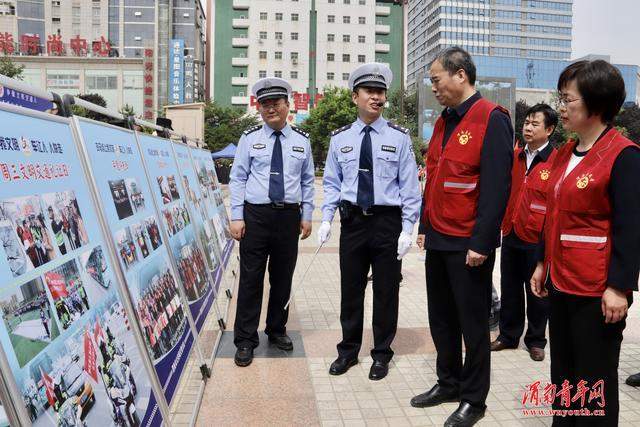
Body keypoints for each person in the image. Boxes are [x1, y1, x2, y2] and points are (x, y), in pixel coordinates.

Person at [530, 59, 640, 426]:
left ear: (596, 103)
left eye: (568, 99)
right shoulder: (564, 153)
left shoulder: (624, 155)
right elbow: (553, 214)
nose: (562, 107)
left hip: (597, 290)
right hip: (561, 282)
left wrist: (619, 287)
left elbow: (630, 227)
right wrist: (543, 262)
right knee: (563, 370)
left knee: (595, 378)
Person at [411, 47, 514, 427]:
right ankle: (448, 382)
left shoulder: (492, 118)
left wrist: (482, 243)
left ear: (460, 75)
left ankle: (474, 399)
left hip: (468, 241)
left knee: (473, 323)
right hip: (439, 235)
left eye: (436, 79)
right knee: (441, 318)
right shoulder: (444, 120)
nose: (433, 87)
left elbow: (496, 187)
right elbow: (435, 176)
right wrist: (424, 225)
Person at [318, 62, 421, 381]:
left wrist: (407, 228)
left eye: (381, 92)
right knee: (351, 290)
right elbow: (333, 183)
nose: (376, 97)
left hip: (387, 224)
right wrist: (326, 219)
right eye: (369, 92)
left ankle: (381, 354)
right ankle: (348, 351)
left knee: (387, 292)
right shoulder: (340, 139)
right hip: (352, 224)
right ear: (355, 97)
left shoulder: (399, 138)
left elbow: (410, 187)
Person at [229, 77, 315, 367]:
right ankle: (244, 339)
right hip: (256, 216)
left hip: (288, 216)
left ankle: (277, 329)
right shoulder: (249, 139)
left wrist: (306, 215)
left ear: (287, 105)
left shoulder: (301, 141)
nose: (270, 109)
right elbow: (238, 177)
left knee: (282, 278)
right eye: (264, 104)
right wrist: (237, 216)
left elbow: (307, 181)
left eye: (276, 103)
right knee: (251, 279)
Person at [491, 103, 558, 361]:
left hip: (538, 238)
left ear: (549, 129)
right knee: (510, 289)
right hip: (511, 233)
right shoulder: (516, 156)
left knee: (537, 290)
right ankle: (508, 336)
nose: (528, 128)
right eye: (526, 123)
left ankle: (536, 340)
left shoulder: (555, 160)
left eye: (535, 124)